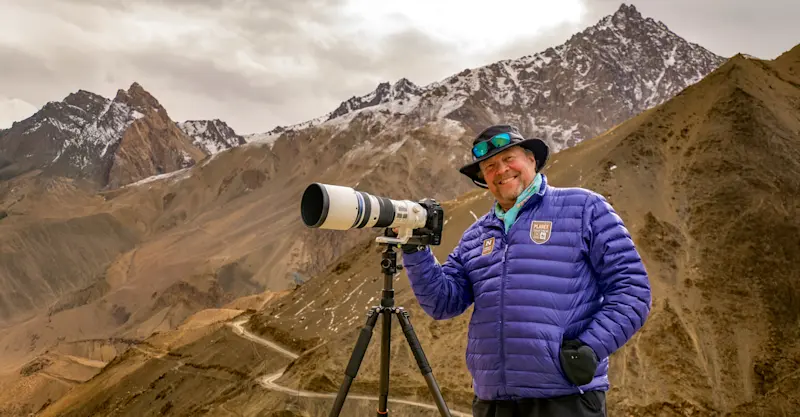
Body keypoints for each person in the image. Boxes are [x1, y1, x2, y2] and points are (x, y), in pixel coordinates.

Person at [399, 124, 652, 417]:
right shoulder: (476, 236)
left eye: (509, 159)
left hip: (566, 398)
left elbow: (632, 289)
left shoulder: (584, 208)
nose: (501, 170)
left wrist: (589, 348)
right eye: (490, 166)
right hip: (494, 402)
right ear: (483, 178)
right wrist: (415, 249)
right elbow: (442, 303)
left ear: (531, 159)